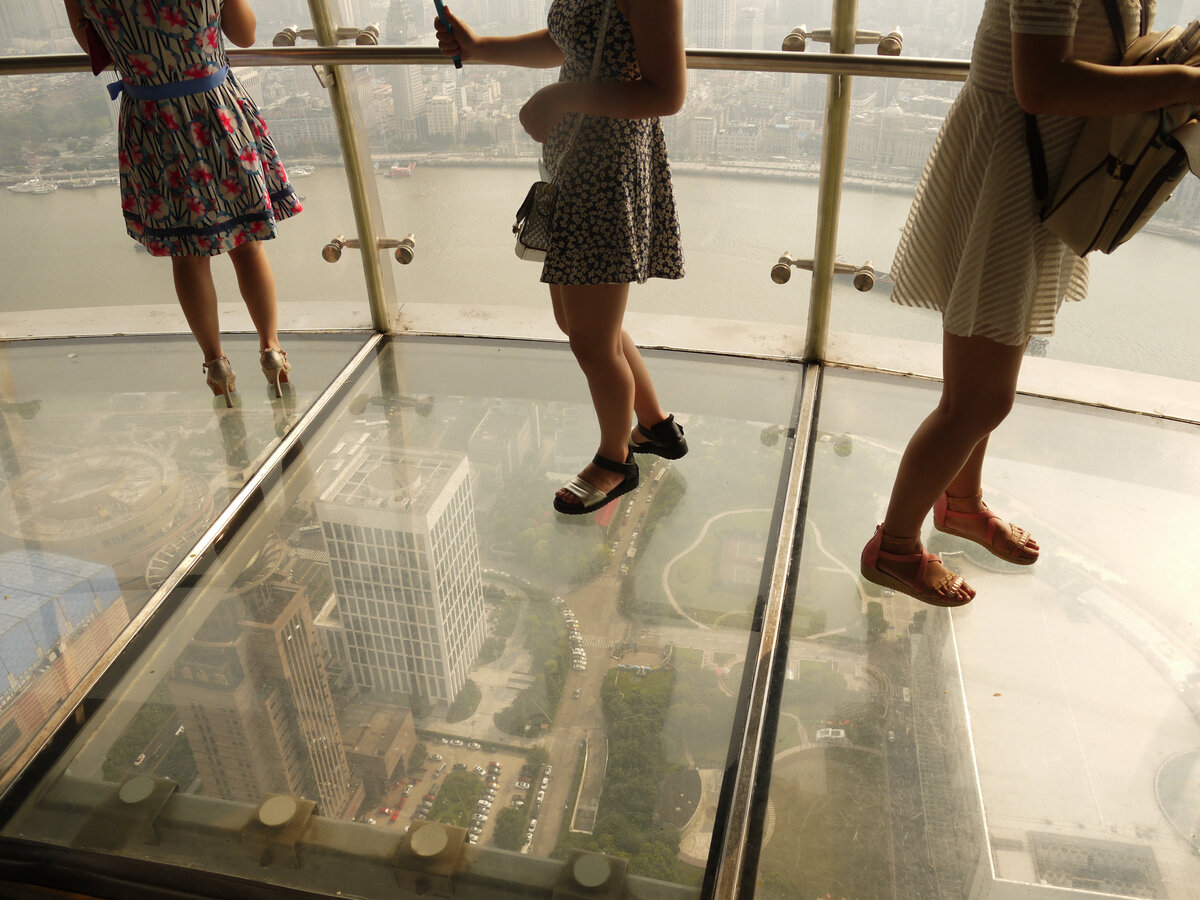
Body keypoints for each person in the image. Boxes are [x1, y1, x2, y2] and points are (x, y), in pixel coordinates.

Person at [860, 0, 1200, 607]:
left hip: (1050, 167)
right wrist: (1183, 81)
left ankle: (960, 504)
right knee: (980, 399)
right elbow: (1040, 84)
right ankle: (895, 549)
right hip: (1013, 173)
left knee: (988, 376)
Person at [435, 0, 688, 515]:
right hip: (575, 167)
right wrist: (479, 47)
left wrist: (561, 96)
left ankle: (616, 461)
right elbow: (569, 39)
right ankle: (656, 427)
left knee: (592, 341)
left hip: (607, 173)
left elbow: (667, 93)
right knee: (582, 326)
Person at [63, 0, 301, 407]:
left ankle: (216, 364)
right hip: (216, 112)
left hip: (152, 122)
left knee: (187, 255)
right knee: (247, 243)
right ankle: (271, 349)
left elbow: (94, 49)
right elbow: (245, 35)